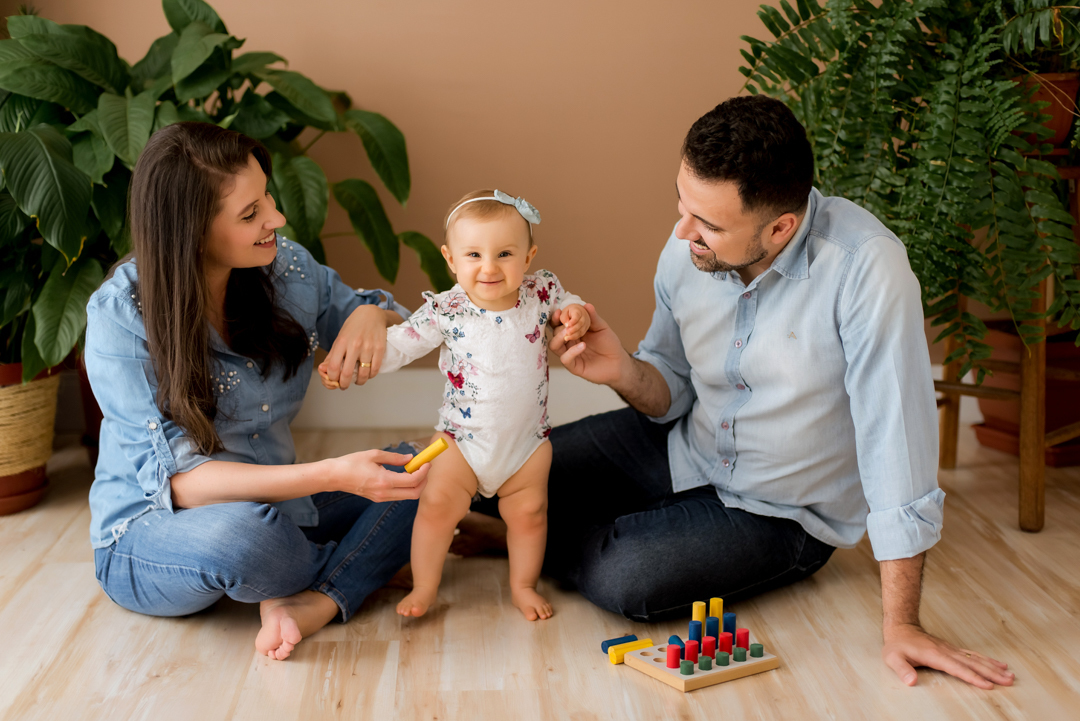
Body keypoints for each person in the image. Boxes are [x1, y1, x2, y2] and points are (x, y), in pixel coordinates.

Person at [459, 96, 1015, 689]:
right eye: (683, 205)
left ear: (780, 228)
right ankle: (535, 524)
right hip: (686, 444)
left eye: (709, 224)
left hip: (782, 511)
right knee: (492, 469)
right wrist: (622, 370)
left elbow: (896, 445)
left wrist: (902, 625)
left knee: (626, 576)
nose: (683, 231)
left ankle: (530, 534)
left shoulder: (865, 270)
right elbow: (671, 393)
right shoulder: (689, 246)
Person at [85, 122, 431, 662]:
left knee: (423, 470)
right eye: (250, 214)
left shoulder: (286, 267)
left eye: (266, 196)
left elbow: (404, 325)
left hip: (281, 509)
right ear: (192, 232)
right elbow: (183, 486)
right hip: (152, 534)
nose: (276, 218)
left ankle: (310, 597)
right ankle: (359, 563)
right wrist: (334, 474)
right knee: (247, 539)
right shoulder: (121, 315)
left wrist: (372, 313)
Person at [319, 190, 590, 621]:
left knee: (530, 515)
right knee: (436, 508)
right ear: (451, 259)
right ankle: (425, 586)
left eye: (504, 254)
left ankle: (523, 586)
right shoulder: (446, 311)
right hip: (460, 441)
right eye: (474, 254)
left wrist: (577, 313)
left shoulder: (541, 292)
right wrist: (354, 364)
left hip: (526, 444)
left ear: (528, 256)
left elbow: (568, 304)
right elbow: (399, 346)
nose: (489, 267)